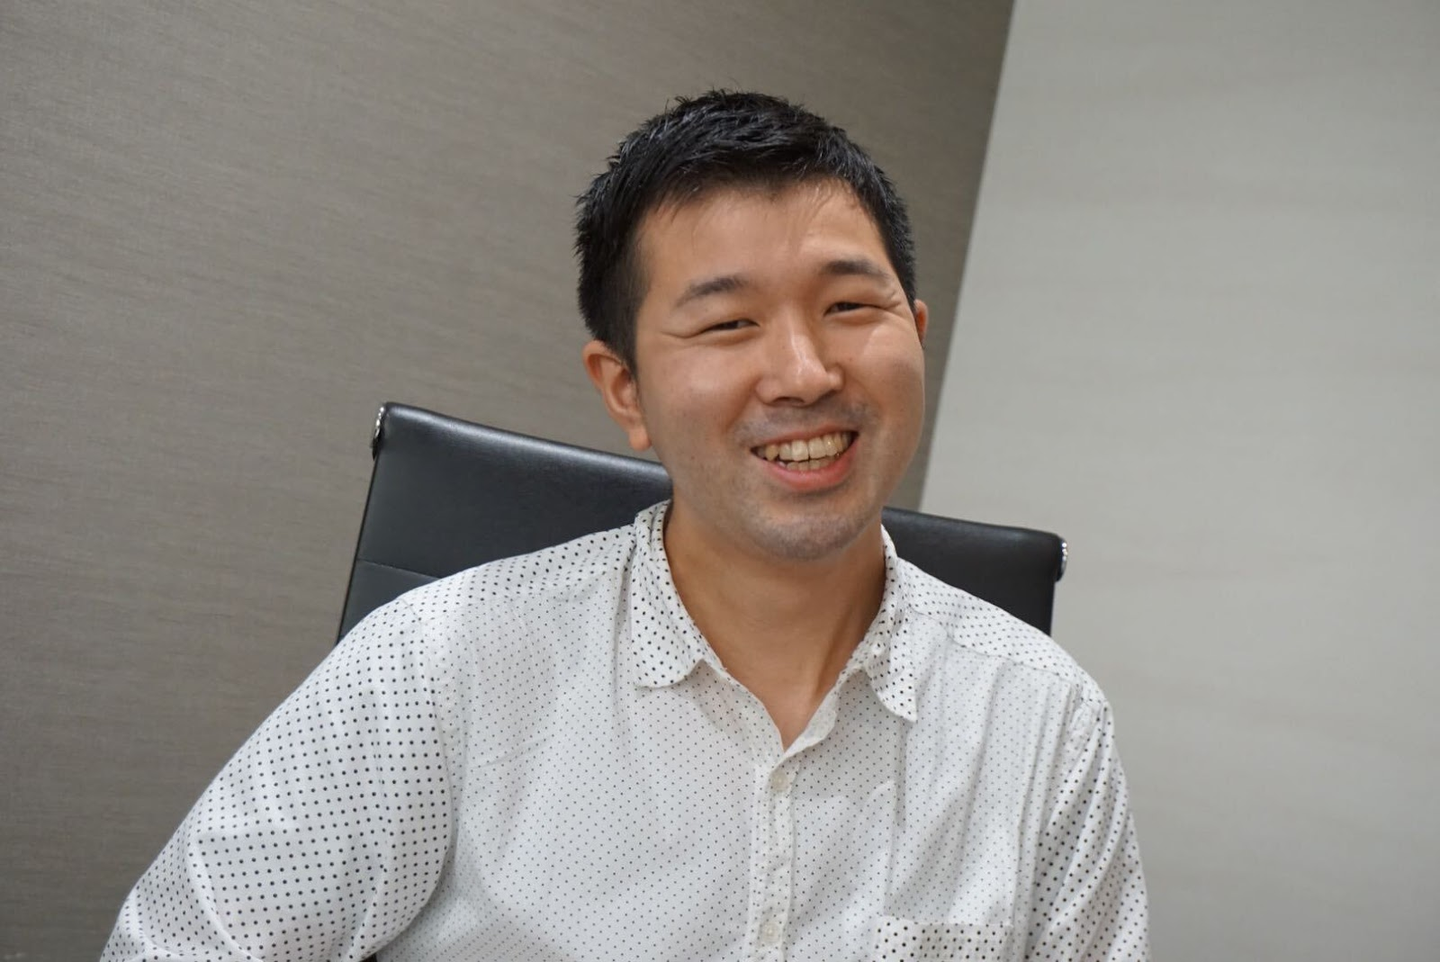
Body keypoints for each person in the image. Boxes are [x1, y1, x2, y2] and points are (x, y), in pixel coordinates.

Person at [102, 90, 1149, 961]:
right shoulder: (440, 662)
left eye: (849, 307)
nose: (803, 373)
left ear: (914, 333)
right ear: (627, 389)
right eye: (729, 322)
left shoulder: (1045, 719)